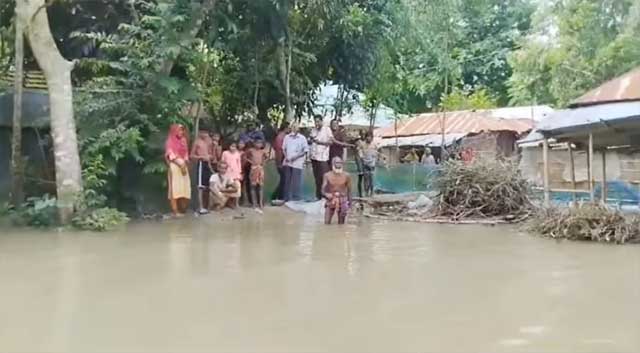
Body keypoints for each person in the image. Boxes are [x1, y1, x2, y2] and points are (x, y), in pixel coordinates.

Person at [165, 124, 191, 217]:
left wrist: (185, 162)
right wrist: (180, 163)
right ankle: (175, 211)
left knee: (185, 188)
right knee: (174, 189)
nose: (182, 132)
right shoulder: (170, 141)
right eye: (179, 130)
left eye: (182, 130)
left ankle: (182, 209)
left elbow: (186, 153)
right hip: (175, 166)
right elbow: (170, 154)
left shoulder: (183, 140)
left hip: (183, 165)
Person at [282, 123, 309, 202]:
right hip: (288, 162)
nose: (294, 128)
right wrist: (286, 156)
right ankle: (286, 199)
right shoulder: (287, 137)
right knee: (287, 181)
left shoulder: (302, 138)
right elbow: (284, 148)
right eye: (292, 127)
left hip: (297, 163)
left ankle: (296, 199)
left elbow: (305, 150)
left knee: (296, 182)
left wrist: (296, 157)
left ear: (298, 129)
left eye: (295, 127)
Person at [322, 157, 352, 225]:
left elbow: (349, 191)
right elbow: (322, 190)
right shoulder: (327, 175)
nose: (339, 165)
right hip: (331, 199)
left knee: (341, 224)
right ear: (333, 164)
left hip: (343, 199)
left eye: (340, 163)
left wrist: (350, 204)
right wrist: (326, 194)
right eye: (337, 163)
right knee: (326, 222)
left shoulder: (347, 175)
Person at [191, 130, 213, 214]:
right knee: (200, 187)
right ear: (200, 133)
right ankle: (200, 207)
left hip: (208, 164)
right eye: (203, 132)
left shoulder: (208, 142)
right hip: (201, 164)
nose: (205, 134)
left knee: (208, 186)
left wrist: (209, 157)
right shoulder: (197, 142)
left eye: (206, 133)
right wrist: (201, 157)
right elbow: (192, 155)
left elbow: (210, 154)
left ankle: (207, 206)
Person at [247, 139, 268, 211]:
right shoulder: (251, 150)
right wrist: (251, 162)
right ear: (254, 143)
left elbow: (267, 157)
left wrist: (263, 162)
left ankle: (260, 203)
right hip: (253, 169)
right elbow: (245, 157)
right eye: (257, 143)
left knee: (260, 186)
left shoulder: (263, 151)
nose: (258, 144)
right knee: (252, 186)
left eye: (260, 143)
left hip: (260, 169)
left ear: (262, 144)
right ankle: (254, 203)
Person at [272, 123, 290, 201]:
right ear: (285, 128)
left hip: (283, 160)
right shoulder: (280, 137)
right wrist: (279, 163)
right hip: (281, 160)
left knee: (285, 179)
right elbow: (279, 150)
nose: (290, 129)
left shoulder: (283, 137)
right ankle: (277, 196)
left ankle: (279, 196)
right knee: (284, 179)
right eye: (288, 128)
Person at [360, 131, 382, 197]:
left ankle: (372, 192)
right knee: (366, 179)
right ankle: (366, 192)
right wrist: (361, 157)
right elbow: (359, 151)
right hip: (365, 163)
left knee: (371, 178)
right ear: (365, 137)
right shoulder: (362, 144)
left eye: (370, 137)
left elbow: (378, 152)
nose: (368, 138)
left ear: (372, 138)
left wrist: (376, 160)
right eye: (367, 137)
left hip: (372, 164)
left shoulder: (374, 144)